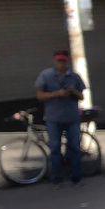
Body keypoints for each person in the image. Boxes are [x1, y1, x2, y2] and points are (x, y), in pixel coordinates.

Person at [34, 49, 87, 187]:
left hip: (72, 117)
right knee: (55, 148)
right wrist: (56, 94)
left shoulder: (74, 76)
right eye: (59, 61)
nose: (61, 64)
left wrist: (73, 91)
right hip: (53, 118)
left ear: (67, 61)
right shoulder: (46, 75)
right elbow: (39, 95)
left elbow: (82, 96)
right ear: (54, 61)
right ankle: (57, 179)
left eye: (63, 61)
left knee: (75, 147)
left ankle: (76, 178)